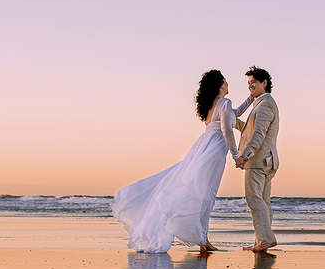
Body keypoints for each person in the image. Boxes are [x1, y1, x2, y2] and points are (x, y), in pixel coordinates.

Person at [113, 70, 242, 253]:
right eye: (226, 81)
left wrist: (251, 100)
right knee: (206, 195)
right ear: (221, 85)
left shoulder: (213, 105)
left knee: (198, 191)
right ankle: (203, 240)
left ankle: (203, 239)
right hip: (214, 150)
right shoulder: (225, 103)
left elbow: (235, 114)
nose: (228, 84)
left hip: (203, 146)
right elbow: (228, 130)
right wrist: (236, 155)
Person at [233, 65, 279, 252]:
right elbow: (251, 129)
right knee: (263, 201)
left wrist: (244, 156)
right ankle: (261, 241)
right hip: (267, 161)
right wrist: (233, 121)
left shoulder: (266, 104)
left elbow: (258, 135)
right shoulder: (261, 103)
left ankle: (265, 239)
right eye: (249, 83)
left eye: (254, 82)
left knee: (254, 199)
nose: (250, 86)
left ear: (264, 83)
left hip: (259, 161)